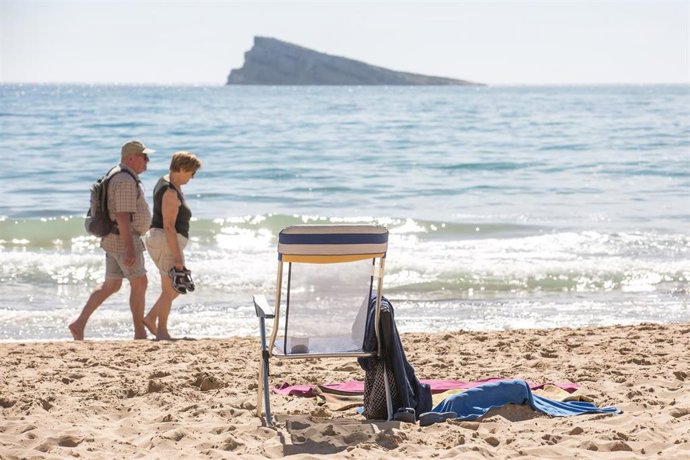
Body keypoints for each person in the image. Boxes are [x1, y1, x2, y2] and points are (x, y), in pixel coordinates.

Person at [69, 140, 154, 340]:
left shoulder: (117, 173)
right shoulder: (125, 180)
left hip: (113, 239)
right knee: (140, 283)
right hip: (123, 240)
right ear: (131, 158)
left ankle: (79, 324)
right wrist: (130, 249)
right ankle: (140, 332)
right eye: (144, 157)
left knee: (111, 286)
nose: (148, 161)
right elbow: (123, 217)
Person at [143, 151, 202, 340]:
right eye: (191, 173)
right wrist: (177, 258)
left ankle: (151, 319)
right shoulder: (169, 191)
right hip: (166, 241)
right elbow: (168, 226)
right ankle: (161, 331)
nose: (192, 178)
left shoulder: (168, 183)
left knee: (175, 287)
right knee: (171, 289)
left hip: (164, 240)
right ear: (182, 169)